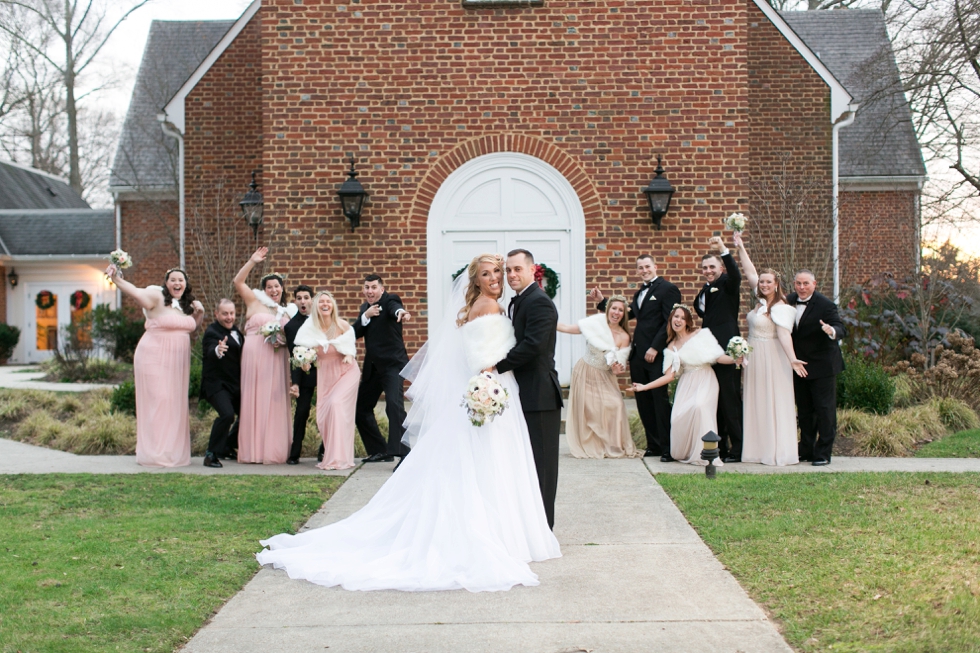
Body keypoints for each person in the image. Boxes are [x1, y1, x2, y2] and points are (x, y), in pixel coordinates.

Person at [257, 253, 561, 592]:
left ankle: (506, 531)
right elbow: (484, 357)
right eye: (489, 274)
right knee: (493, 463)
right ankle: (501, 533)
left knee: (494, 464)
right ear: (475, 280)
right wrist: (489, 379)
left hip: (501, 390)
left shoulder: (495, 305)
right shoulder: (489, 308)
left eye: (501, 272)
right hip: (496, 389)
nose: (497, 278)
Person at [107, 265, 204, 467]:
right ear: (166, 283)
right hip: (154, 356)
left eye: (181, 280)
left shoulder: (186, 306)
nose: (177, 283)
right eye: (173, 280)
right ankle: (154, 453)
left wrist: (199, 313)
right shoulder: (156, 297)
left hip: (177, 363)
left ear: (186, 284)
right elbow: (135, 291)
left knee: (174, 404)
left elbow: (191, 328)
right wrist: (117, 279)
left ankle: (171, 452)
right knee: (160, 400)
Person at [496, 249, 564, 529]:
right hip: (523, 393)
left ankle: (544, 528)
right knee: (527, 464)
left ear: (531, 269)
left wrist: (497, 367)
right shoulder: (520, 302)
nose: (512, 275)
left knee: (544, 467)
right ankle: (530, 525)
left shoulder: (539, 302)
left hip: (541, 395)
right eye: (508, 270)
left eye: (517, 269)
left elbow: (533, 346)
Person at [591, 255, 681, 461]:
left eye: (647, 266)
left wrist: (655, 348)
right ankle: (654, 445)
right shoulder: (640, 292)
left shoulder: (668, 289)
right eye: (640, 267)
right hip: (638, 355)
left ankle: (668, 448)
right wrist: (602, 302)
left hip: (655, 355)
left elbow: (669, 322)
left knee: (659, 400)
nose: (643, 270)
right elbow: (626, 315)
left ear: (655, 267)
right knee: (643, 401)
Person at [632, 305, 739, 466]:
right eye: (676, 317)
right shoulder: (670, 347)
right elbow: (669, 376)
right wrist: (644, 387)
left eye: (682, 318)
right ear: (671, 320)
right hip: (686, 384)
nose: (678, 320)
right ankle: (687, 451)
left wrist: (735, 359)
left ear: (688, 321)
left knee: (699, 407)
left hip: (705, 378)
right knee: (677, 418)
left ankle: (706, 454)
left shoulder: (700, 334)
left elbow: (718, 357)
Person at [733, 234, 807, 466]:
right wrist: (741, 247)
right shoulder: (759, 302)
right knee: (756, 401)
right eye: (762, 282)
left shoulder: (781, 307)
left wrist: (793, 360)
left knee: (773, 401)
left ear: (777, 285)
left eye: (768, 282)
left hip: (774, 358)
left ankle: (776, 451)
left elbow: (784, 335)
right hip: (754, 357)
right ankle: (756, 451)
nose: (763, 284)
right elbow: (750, 272)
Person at [233, 247, 295, 464]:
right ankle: (253, 450)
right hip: (255, 356)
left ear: (282, 289)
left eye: (277, 286)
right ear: (264, 290)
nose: (273, 290)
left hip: (278, 359)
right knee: (255, 398)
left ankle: (273, 450)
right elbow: (238, 282)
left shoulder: (288, 312)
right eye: (269, 287)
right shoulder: (254, 302)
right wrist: (252, 261)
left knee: (275, 399)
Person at [557, 296, 639, 459]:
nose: (616, 312)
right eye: (614, 308)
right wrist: (545, 318)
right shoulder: (595, 323)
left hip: (605, 376)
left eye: (620, 310)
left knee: (615, 405)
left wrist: (616, 368)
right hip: (585, 371)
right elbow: (567, 328)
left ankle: (612, 445)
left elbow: (618, 369)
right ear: (608, 309)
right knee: (590, 410)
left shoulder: (624, 337)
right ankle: (591, 443)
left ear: (624, 314)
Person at [294, 291, 360, 471]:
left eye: (328, 301)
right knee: (324, 416)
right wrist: (305, 363)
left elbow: (349, 345)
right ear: (316, 306)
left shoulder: (341, 325)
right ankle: (331, 454)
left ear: (332, 305)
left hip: (347, 372)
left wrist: (348, 354)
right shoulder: (310, 329)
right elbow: (304, 350)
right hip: (327, 375)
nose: (325, 304)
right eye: (321, 301)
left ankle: (339, 459)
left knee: (336, 404)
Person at [787, 270, 846, 466]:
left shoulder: (826, 305)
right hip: (799, 366)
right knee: (804, 411)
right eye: (798, 284)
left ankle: (823, 453)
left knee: (824, 410)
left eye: (806, 284)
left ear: (815, 284)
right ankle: (806, 449)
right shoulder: (788, 301)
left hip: (823, 366)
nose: (802, 288)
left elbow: (840, 328)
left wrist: (832, 331)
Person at [694, 236, 744, 463]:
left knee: (730, 400)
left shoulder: (728, 284)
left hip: (727, 352)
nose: (708, 271)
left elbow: (736, 274)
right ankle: (720, 447)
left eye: (712, 267)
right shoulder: (704, 291)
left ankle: (739, 448)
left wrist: (724, 249)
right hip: (709, 353)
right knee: (714, 400)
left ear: (721, 268)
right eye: (704, 268)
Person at [353, 274, 411, 466]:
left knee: (394, 406)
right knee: (360, 408)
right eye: (367, 287)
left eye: (373, 287)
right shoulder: (365, 309)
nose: (370, 291)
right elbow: (354, 333)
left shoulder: (390, 300)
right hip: (373, 368)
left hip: (392, 365)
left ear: (381, 289)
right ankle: (379, 450)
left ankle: (404, 455)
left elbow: (396, 309)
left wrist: (400, 312)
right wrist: (365, 317)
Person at [200, 299, 244, 468]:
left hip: (234, 385)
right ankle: (211, 454)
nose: (229, 317)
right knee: (227, 415)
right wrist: (218, 351)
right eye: (225, 313)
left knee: (248, 414)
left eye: (231, 313)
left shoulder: (236, 332)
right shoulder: (212, 332)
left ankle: (226, 445)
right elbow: (211, 350)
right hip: (216, 385)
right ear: (217, 314)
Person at [284, 284, 319, 465]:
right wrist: (295, 383)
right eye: (299, 298)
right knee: (302, 411)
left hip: (325, 371)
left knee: (325, 411)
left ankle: (325, 450)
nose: (303, 301)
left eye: (306, 297)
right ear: (295, 301)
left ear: (311, 300)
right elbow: (294, 355)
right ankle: (294, 453)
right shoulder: (291, 326)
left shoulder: (321, 318)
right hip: (305, 374)